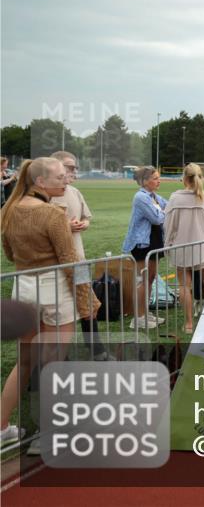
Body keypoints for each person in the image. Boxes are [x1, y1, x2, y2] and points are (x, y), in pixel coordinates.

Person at [0, 158, 93, 443]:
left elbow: (10, 255)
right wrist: (87, 299)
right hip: (55, 291)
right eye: (60, 177)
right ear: (40, 182)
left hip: (24, 287)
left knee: (25, 362)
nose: (66, 180)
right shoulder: (52, 214)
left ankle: (3, 428)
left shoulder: (10, 209)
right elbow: (70, 261)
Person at [49, 151, 107, 359]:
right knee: (58, 312)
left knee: (88, 305)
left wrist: (83, 224)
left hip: (79, 260)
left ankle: (96, 349)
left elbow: (86, 217)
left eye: (74, 167)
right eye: (69, 167)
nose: (74, 171)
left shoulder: (74, 192)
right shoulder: (45, 194)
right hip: (54, 264)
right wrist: (65, 226)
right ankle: (58, 360)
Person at [164, 163, 204, 334]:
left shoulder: (175, 198)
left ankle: (189, 323)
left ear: (184, 178)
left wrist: (167, 245)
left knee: (184, 285)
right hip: (202, 247)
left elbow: (169, 226)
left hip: (181, 247)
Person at [122, 166, 168, 329]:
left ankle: (145, 312)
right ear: (144, 181)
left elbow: (168, 208)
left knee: (151, 278)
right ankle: (138, 318)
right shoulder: (141, 197)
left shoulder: (154, 196)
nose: (159, 181)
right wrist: (164, 212)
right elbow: (157, 219)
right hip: (142, 243)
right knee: (143, 280)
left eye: (158, 177)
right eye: (155, 178)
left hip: (154, 241)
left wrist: (164, 211)